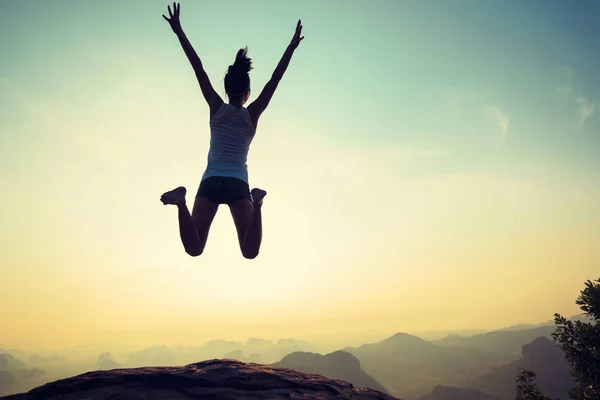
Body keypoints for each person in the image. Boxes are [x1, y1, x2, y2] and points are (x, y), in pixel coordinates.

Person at [159, 3, 304, 259]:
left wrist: (179, 31)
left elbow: (198, 68)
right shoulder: (252, 114)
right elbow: (274, 80)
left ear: (225, 90)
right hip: (238, 184)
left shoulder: (216, 107)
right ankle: (257, 203)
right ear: (247, 93)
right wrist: (291, 47)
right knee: (249, 251)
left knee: (194, 248)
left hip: (212, 181)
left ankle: (181, 202)